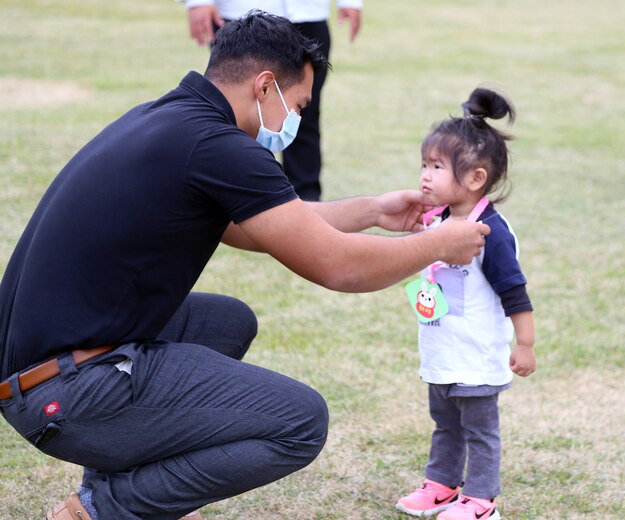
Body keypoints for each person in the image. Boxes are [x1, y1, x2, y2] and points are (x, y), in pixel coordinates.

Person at [0, 11, 490, 520]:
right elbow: (339, 267)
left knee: (225, 322)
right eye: (298, 105)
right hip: (63, 391)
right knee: (300, 422)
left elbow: (262, 224)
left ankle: (120, 475)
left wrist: (372, 210)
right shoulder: (220, 147)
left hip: (37, 370)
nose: (294, 121)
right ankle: (99, 509)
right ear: (265, 86)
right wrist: (439, 244)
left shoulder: (169, 119)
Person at [394, 88, 536, 520]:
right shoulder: (438, 220)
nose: (424, 175)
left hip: (474, 353)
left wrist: (525, 344)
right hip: (441, 349)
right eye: (424, 164)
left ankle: (480, 500)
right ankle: (441, 485)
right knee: (445, 423)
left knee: (479, 430)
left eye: (436, 167)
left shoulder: (490, 231)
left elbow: (515, 292)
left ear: (475, 179)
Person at [184, 0, 363, 201]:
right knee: (239, 113)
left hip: (308, 14)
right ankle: (239, 199)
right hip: (241, 16)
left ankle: (306, 201)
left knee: (302, 113)